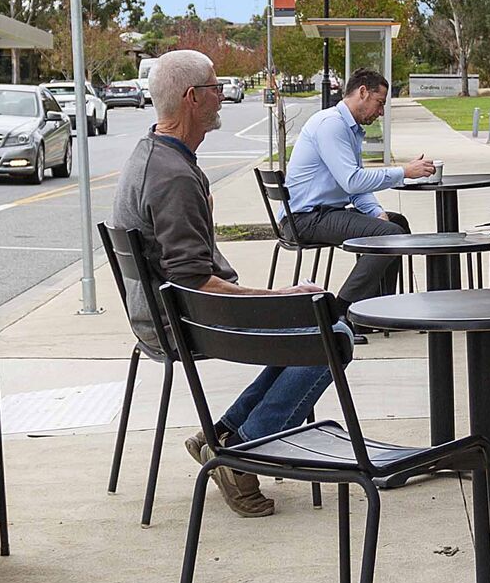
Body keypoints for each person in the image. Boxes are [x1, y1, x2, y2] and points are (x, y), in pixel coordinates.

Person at [111, 48, 339, 518]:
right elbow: (194, 280)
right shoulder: (172, 176)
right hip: (186, 320)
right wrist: (280, 297)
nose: (222, 97)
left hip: (161, 314)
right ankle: (244, 453)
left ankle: (225, 437)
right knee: (332, 332)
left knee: (312, 326)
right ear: (193, 98)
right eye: (216, 88)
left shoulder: (151, 152)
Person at [282, 67, 438, 303]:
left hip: (322, 213)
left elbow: (354, 185)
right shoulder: (331, 125)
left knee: (396, 223)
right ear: (362, 92)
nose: (381, 111)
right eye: (379, 102)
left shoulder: (347, 128)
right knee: (391, 234)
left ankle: (380, 306)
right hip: (304, 219)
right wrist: (404, 171)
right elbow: (352, 181)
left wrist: (376, 211)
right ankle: (343, 309)